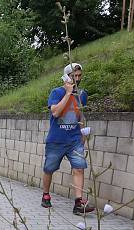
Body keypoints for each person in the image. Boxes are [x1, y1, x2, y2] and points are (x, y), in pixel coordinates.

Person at [41, 62, 95, 215]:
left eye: (79, 76)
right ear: (66, 77)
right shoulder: (56, 92)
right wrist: (67, 93)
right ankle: (45, 195)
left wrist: (83, 133)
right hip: (56, 140)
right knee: (49, 169)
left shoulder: (83, 95)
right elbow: (56, 113)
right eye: (74, 76)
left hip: (74, 140)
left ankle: (78, 203)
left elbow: (81, 114)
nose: (77, 79)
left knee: (79, 168)